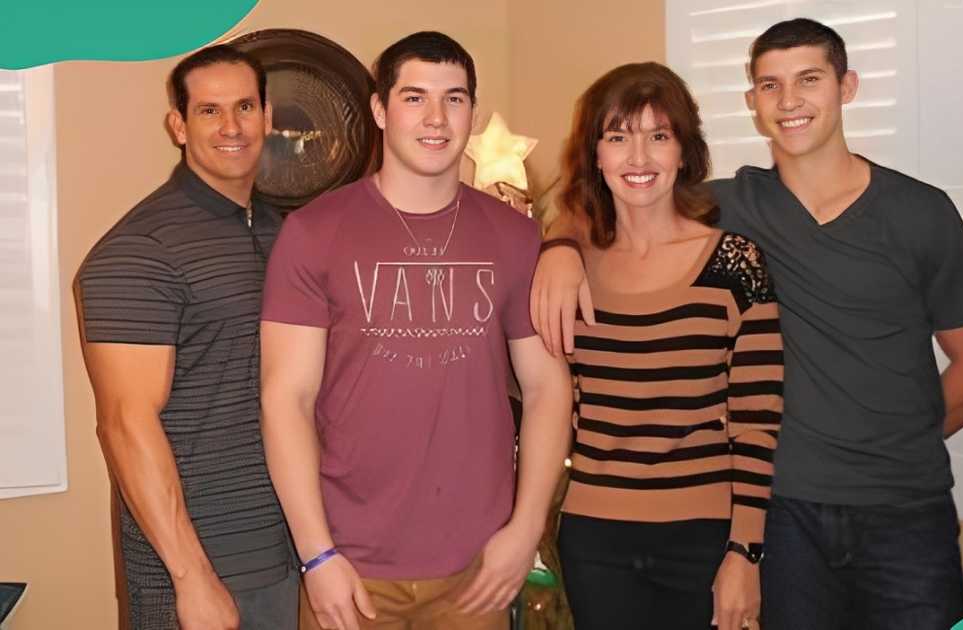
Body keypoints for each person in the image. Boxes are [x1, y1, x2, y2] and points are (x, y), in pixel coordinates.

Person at [532, 18, 963, 630]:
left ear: (847, 87)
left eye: (808, 79)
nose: (789, 101)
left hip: (904, 513)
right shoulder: (729, 206)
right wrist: (559, 247)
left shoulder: (919, 212)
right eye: (770, 85)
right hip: (783, 515)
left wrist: (901, 443)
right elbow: (616, 196)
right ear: (752, 101)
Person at [258, 31, 572, 630]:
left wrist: (525, 529)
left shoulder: (513, 236)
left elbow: (547, 388)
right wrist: (317, 554)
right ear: (380, 109)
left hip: (477, 570)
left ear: (472, 112)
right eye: (414, 97)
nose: (436, 118)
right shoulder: (314, 233)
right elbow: (285, 399)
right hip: (350, 567)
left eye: (454, 99)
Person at [551, 62, 782, 630]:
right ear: (595, 155)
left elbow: (757, 419)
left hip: (704, 540)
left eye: (658, 136)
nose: (638, 157)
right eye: (618, 137)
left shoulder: (734, 263)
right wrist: (557, 245)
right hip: (594, 539)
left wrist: (745, 551)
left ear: (684, 152)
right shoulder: (569, 271)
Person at [76, 45, 297, 630]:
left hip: (286, 554)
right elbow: (125, 424)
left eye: (244, 107)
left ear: (267, 116)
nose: (231, 127)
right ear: (178, 125)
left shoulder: (282, 233)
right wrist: (191, 577)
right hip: (196, 571)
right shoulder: (137, 250)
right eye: (209, 111)